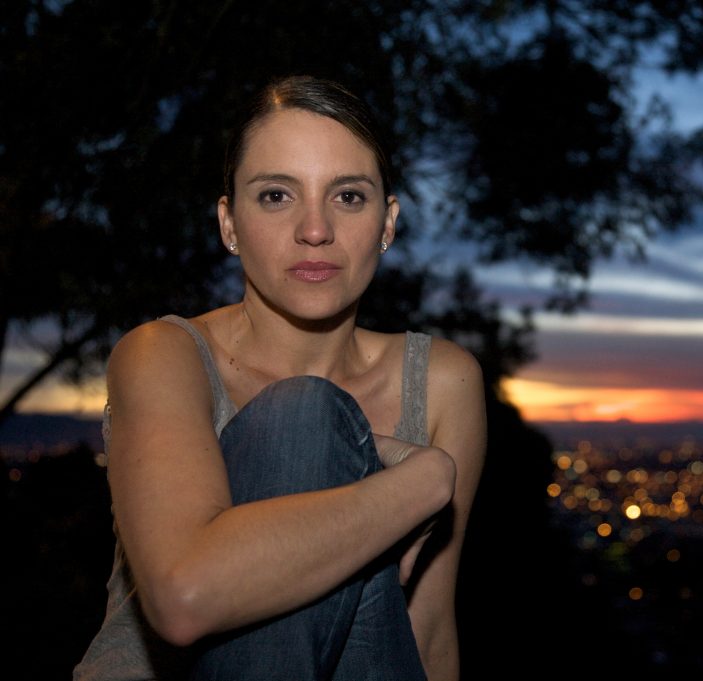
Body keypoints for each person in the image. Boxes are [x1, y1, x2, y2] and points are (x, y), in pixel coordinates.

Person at [73, 74, 487, 680]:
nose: (314, 230)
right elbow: (184, 596)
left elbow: (426, 633)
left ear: (388, 222)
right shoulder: (164, 355)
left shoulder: (442, 380)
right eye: (276, 196)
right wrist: (426, 478)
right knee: (304, 416)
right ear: (229, 224)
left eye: (348, 196)